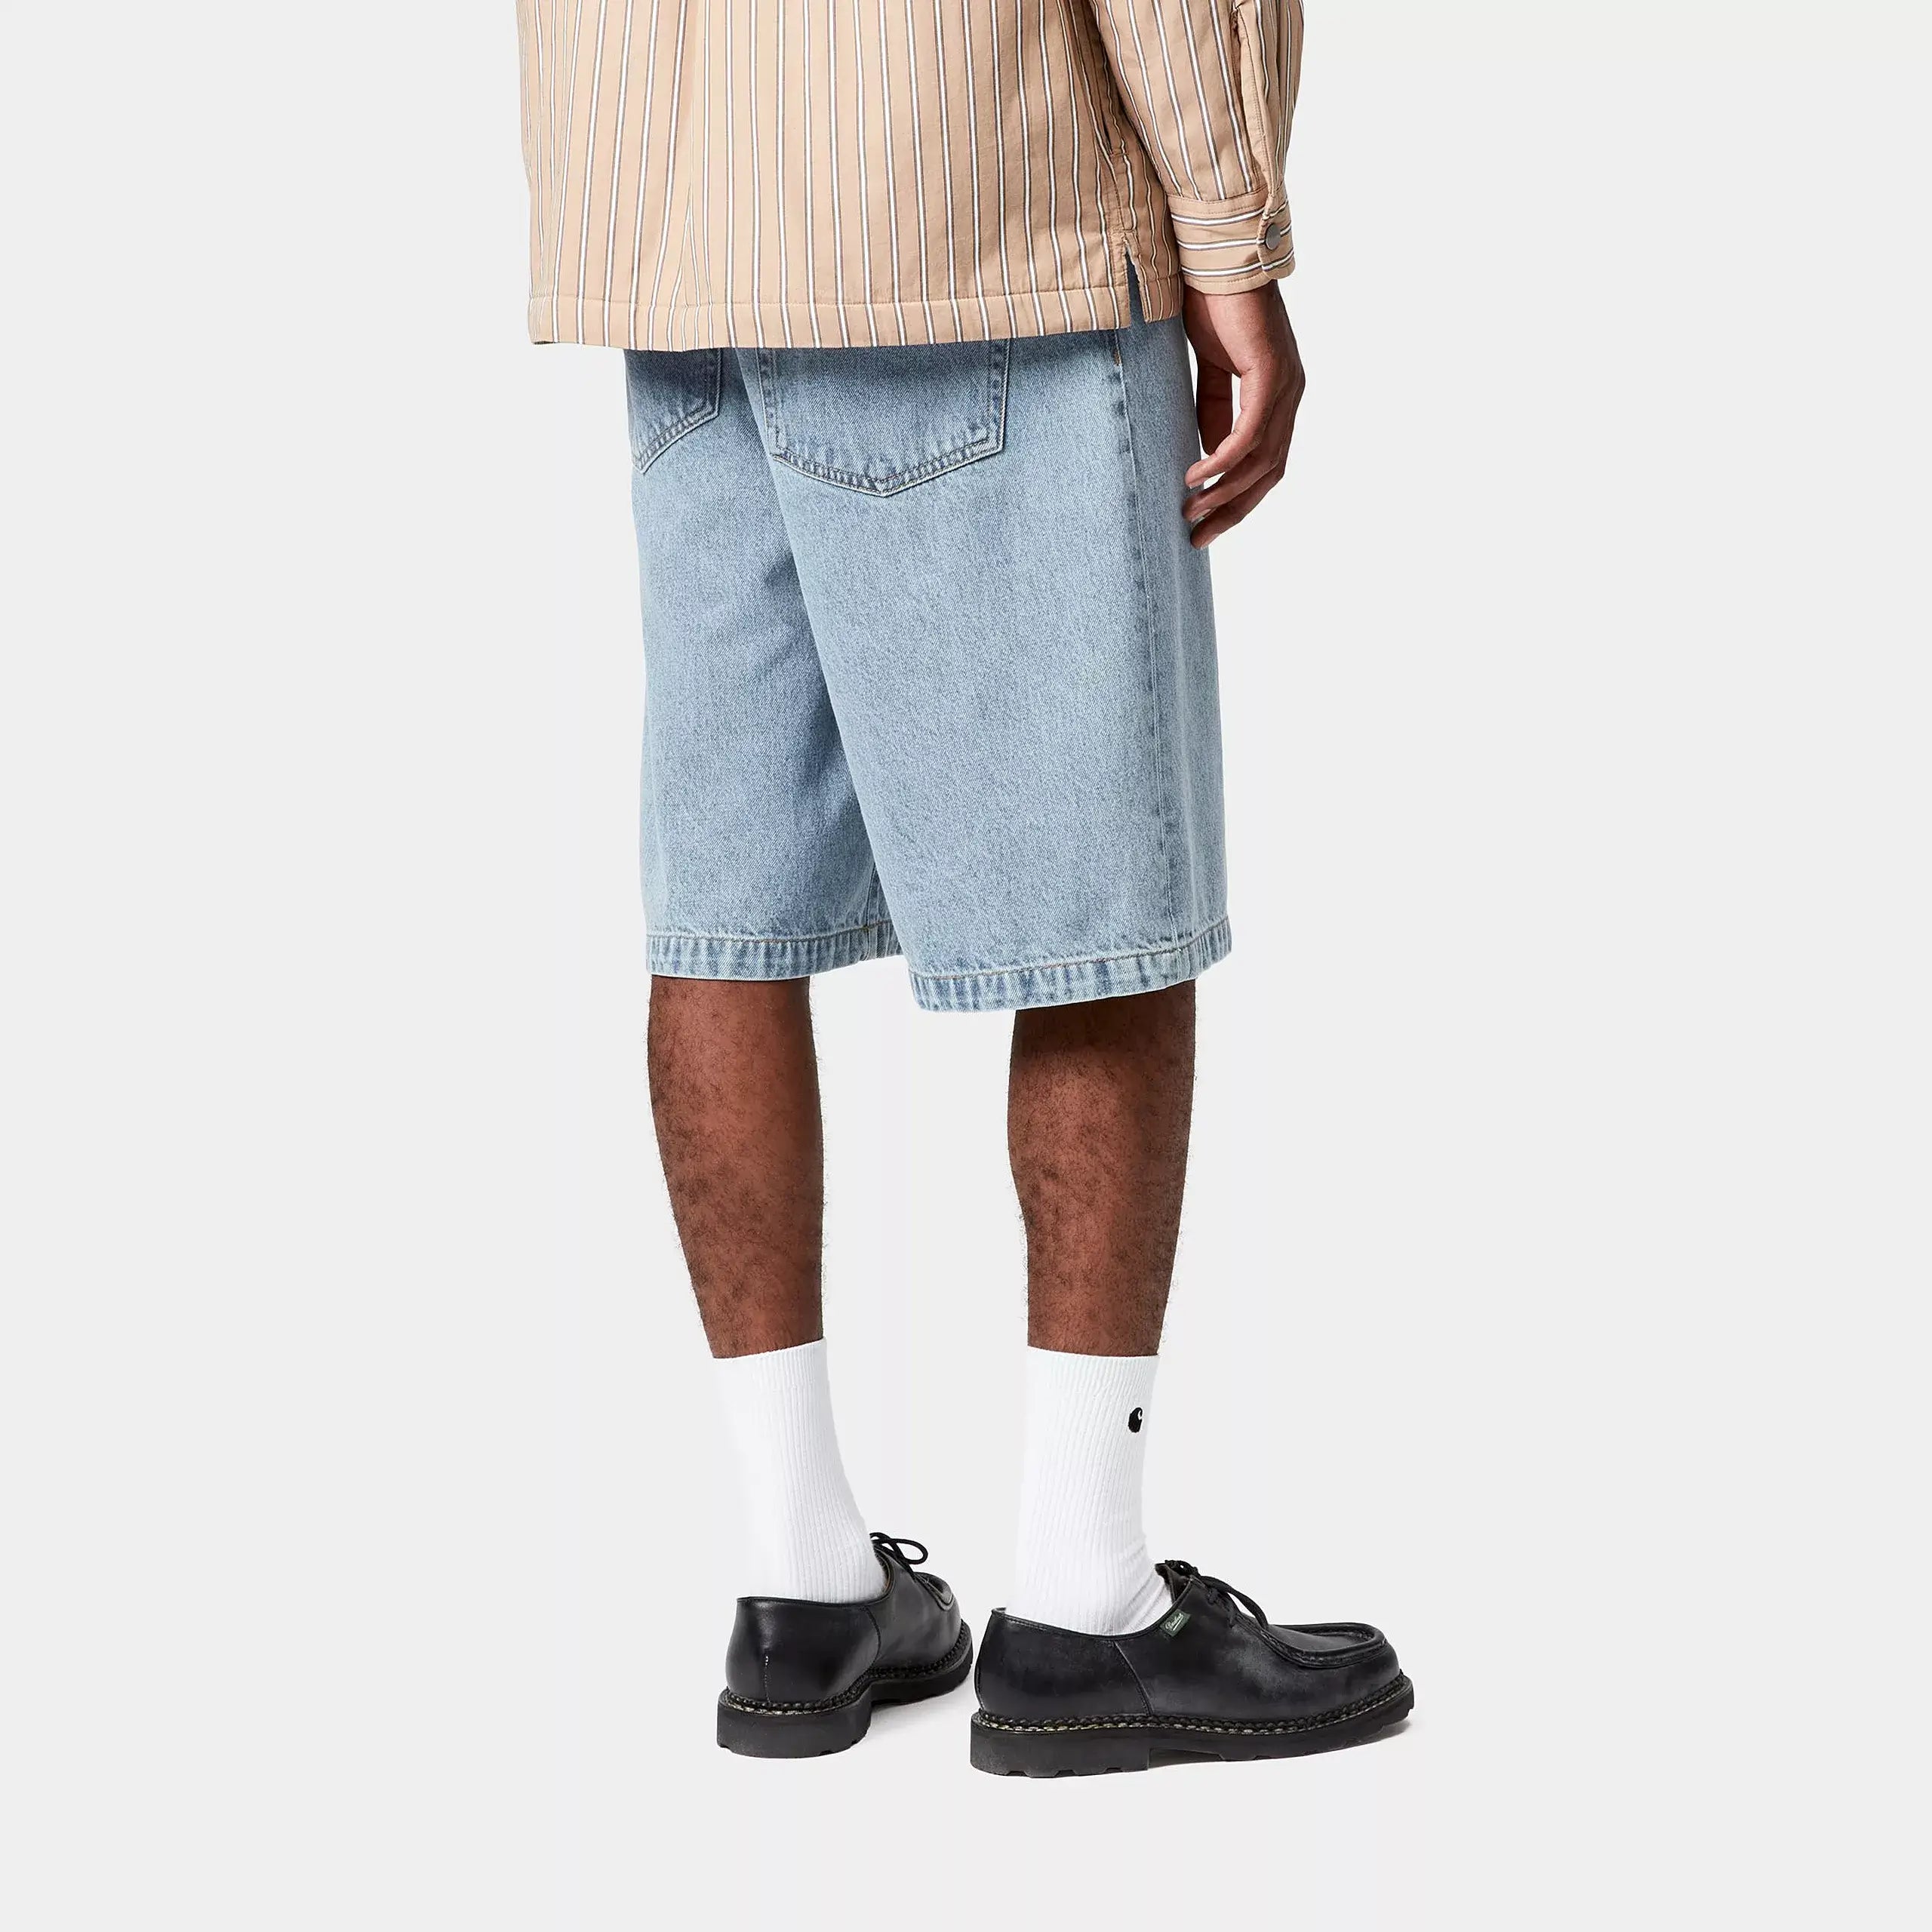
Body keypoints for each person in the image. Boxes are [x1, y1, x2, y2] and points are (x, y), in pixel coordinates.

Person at [515, 0, 1410, 1775]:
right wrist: (1229, 235)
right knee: (1101, 912)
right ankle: (1085, 1599)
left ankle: (800, 1582)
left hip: (670, 230)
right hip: (970, 204)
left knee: (727, 913)